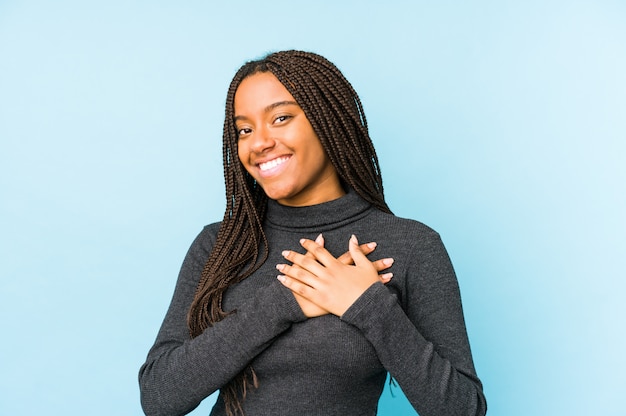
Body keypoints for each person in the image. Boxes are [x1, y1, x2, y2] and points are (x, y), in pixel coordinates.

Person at [139, 50, 487, 416]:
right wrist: (284, 302)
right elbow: (159, 397)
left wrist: (367, 305)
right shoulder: (221, 245)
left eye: (281, 118)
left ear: (328, 120)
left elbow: (462, 409)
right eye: (245, 129)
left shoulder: (412, 246)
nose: (258, 143)